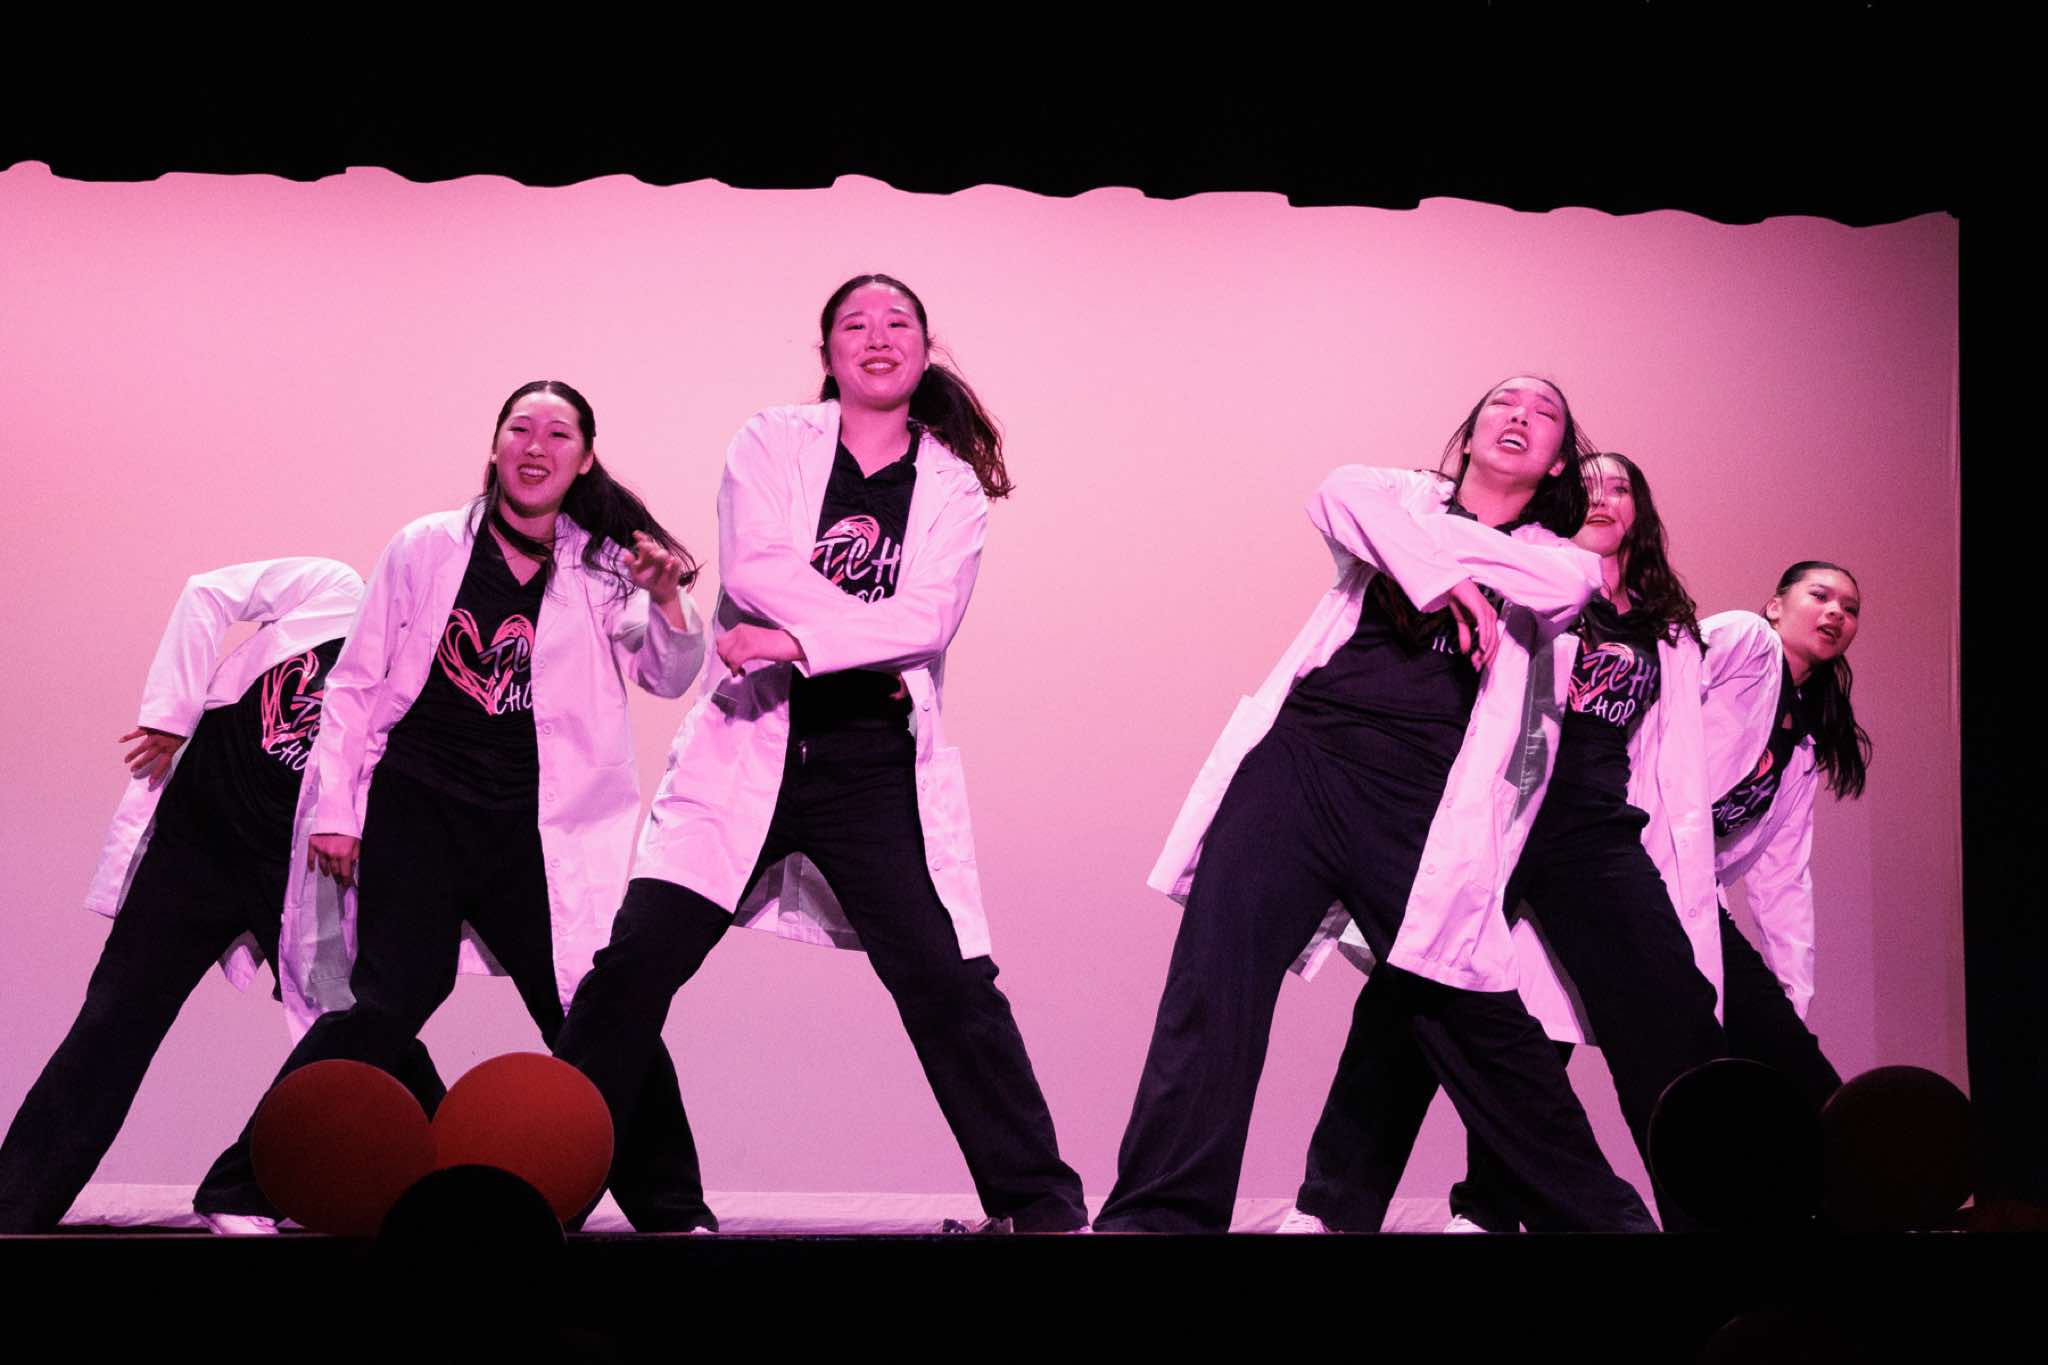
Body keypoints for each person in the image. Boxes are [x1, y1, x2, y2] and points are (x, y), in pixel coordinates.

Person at [551, 274, 1087, 1234]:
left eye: (898, 323)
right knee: (632, 969)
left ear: (924, 349)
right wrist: (846, 634)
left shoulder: (952, 486)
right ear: (828, 353)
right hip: (747, 743)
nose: (877, 337)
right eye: (855, 324)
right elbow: (756, 567)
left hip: (870, 763)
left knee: (947, 982)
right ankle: (540, 1182)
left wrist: (796, 638)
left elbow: (930, 619)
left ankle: (1040, 1204)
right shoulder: (771, 441)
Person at [1094, 378, 1656, 1233]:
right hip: (1303, 760)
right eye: (1503, 404)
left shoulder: (1562, 557)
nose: (1519, 416)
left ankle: (1610, 1225)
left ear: (1555, 467)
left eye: (1544, 415)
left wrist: (1419, 553)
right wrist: (1439, 575)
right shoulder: (1398, 493)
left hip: (1422, 798)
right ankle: (1158, 1219)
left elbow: (1551, 588)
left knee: (1472, 1012)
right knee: (1214, 982)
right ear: (1468, 433)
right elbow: (1336, 493)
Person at [197, 380, 716, 1232]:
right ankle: (241, 1184)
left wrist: (666, 598)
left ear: (585, 459)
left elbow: (665, 674)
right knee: (386, 1004)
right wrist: (337, 809)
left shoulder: (602, 569)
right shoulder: (426, 547)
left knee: (596, 1005)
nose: (536, 446)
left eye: (558, 433)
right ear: (496, 445)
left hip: (535, 829)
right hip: (420, 812)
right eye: (521, 428)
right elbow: (356, 682)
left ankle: (672, 1208)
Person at [1286, 452, 1733, 1233]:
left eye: (1619, 486)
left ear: (1641, 512)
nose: (1602, 497)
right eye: (1586, 485)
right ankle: (1332, 1208)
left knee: (1672, 1008)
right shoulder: (1521, 569)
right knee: (1411, 997)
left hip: (1592, 828)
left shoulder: (1664, 630)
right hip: (1497, 806)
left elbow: (1674, 764)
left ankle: (1712, 1219)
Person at [0, 558, 446, 1235]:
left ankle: (453, 1182)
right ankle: (13, 1206)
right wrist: (170, 714)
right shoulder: (333, 590)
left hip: (295, 876)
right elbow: (207, 593)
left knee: (361, 1022)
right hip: (197, 845)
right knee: (115, 1018)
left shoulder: (420, 683)